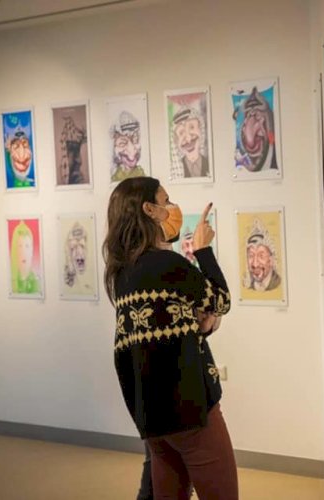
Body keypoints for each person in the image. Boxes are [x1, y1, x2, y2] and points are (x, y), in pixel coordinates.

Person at [103, 177, 236, 499]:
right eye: (166, 201)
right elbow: (220, 301)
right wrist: (202, 249)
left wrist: (201, 325)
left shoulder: (123, 273)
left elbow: (165, 327)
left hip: (151, 414)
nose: (172, 208)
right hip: (190, 409)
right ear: (150, 209)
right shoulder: (168, 265)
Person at [243, 220, 281, 292]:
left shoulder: (277, 284)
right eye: (251, 256)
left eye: (261, 256)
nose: (255, 264)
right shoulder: (248, 287)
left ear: (271, 260)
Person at [172, 108, 209, 178]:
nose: (188, 139)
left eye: (192, 127)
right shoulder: (176, 173)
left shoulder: (210, 164)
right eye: (181, 132)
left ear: (201, 129)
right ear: (176, 141)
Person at [110, 111, 145, 183]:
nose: (131, 149)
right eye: (123, 143)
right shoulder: (115, 177)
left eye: (135, 140)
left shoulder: (141, 174)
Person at [10, 221, 40, 294]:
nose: (23, 252)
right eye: (20, 246)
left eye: (27, 246)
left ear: (32, 251)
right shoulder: (11, 283)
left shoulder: (36, 282)